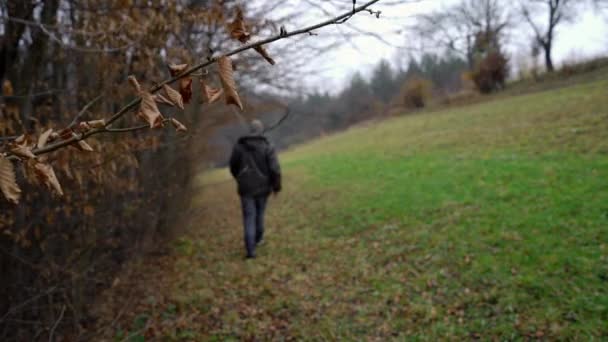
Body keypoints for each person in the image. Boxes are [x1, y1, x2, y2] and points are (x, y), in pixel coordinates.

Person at [229, 119, 282, 259]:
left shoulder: (239, 146)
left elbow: (233, 167)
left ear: (250, 130)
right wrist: (276, 187)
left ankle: (250, 250)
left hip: (245, 188)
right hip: (263, 188)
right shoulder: (267, 146)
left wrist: (239, 179)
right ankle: (258, 240)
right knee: (259, 215)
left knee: (249, 217)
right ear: (261, 130)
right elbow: (275, 169)